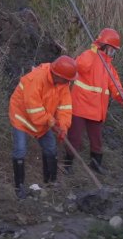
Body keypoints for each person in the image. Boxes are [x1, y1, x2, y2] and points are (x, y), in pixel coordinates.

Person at [8, 55, 77, 199]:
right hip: (22, 116)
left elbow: (65, 107)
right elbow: (33, 109)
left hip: (43, 119)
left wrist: (63, 126)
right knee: (20, 149)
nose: (67, 82)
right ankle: (19, 187)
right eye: (66, 80)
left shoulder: (63, 84)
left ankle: (51, 182)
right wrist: (49, 120)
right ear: (58, 75)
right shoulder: (36, 79)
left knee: (51, 147)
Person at [63, 28, 123, 175]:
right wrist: (93, 52)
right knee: (75, 137)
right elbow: (79, 65)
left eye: (115, 50)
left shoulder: (109, 65)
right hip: (81, 104)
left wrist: (121, 96)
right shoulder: (89, 56)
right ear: (105, 46)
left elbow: (114, 83)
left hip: (97, 108)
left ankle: (96, 163)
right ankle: (68, 163)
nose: (114, 52)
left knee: (96, 139)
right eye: (113, 49)